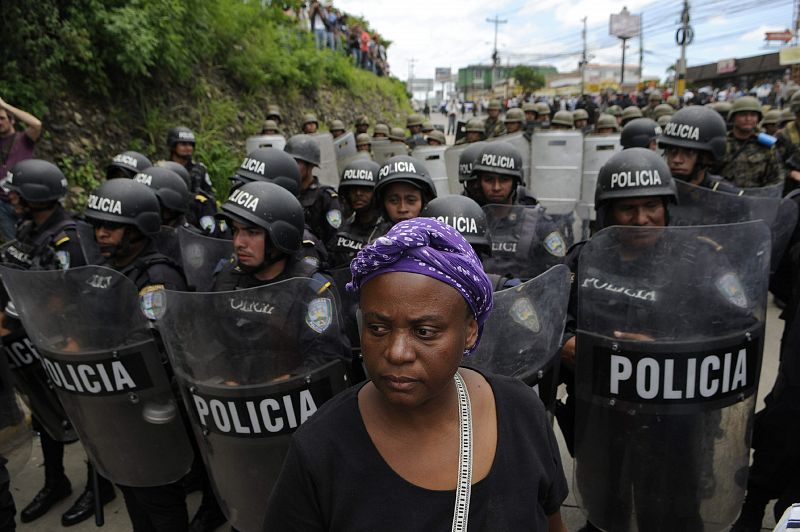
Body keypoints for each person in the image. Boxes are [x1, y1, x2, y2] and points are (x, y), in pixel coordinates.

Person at [264, 217, 569, 531]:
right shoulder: (320, 448)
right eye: (377, 328)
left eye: (424, 331)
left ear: (470, 332)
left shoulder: (521, 413)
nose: (397, 352)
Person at [1, 159, 118, 527]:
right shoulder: (26, 229)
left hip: (69, 341)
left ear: (36, 196)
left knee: (84, 417)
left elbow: (72, 295)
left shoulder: (69, 238)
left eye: (17, 191)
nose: (11, 196)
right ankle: (55, 480)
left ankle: (101, 484)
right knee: (44, 413)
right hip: (34, 339)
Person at [84, 179, 189, 531]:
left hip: (151, 403)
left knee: (158, 496)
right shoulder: (108, 268)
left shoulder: (155, 276)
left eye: (111, 227)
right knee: (131, 485)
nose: (101, 233)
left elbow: (158, 346)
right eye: (98, 225)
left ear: (137, 229)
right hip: (117, 399)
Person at [473, 142, 567, 281]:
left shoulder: (539, 224)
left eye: (504, 180)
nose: (496, 187)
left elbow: (559, 271)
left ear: (516, 182)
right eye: (489, 180)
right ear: (479, 182)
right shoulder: (472, 221)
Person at [657, 106, 743, 193]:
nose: (677, 160)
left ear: (708, 157)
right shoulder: (656, 189)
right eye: (672, 150)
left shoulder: (726, 195)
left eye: (689, 152)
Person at [285, 134, 342, 251]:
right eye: (288, 161)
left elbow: (334, 238)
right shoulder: (284, 194)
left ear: (310, 165)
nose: (290, 167)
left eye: (296, 162)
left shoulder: (326, 197)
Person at [713, 96, 784, 188]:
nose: (748, 119)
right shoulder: (721, 143)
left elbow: (778, 177)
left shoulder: (766, 145)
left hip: (755, 198)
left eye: (753, 115)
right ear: (733, 117)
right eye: (743, 115)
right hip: (724, 196)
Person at [330, 159, 389, 267]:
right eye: (353, 189)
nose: (358, 193)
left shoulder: (389, 231)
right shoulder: (341, 228)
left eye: (365, 189)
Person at [0, 97, 42, 242]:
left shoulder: (23, 138)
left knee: (33, 239)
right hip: (3, 203)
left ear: (12, 120)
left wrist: (5, 105)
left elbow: (36, 124)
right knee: (13, 244)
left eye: (2, 118)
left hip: (25, 199)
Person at [374, 155, 437, 225]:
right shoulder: (374, 235)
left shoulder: (439, 234)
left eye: (411, 200)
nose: (402, 209)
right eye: (394, 201)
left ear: (424, 203)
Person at [166, 126, 215, 197]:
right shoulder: (162, 168)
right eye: (183, 144)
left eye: (190, 144)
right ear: (173, 146)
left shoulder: (200, 169)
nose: (188, 148)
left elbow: (210, 196)